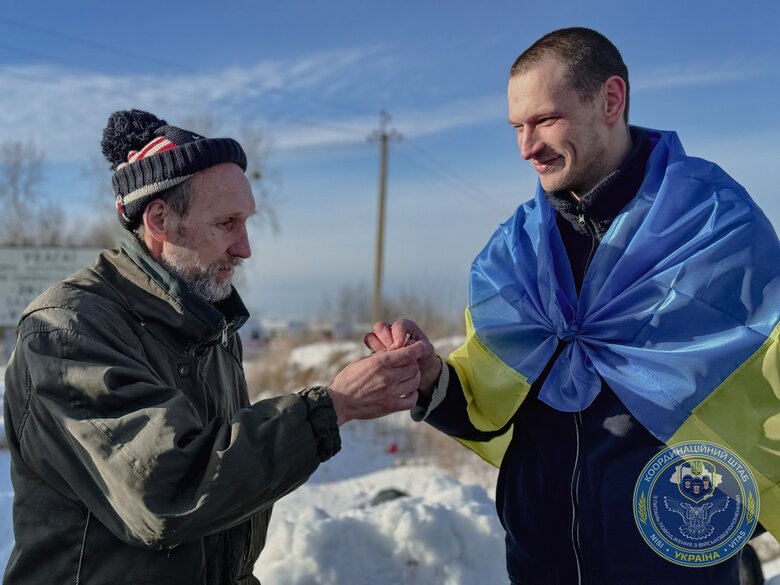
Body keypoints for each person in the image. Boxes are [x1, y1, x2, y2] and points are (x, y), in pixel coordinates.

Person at [365, 28, 780, 584]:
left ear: (611, 100)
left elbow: (764, 388)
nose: (526, 147)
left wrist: (728, 519)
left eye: (544, 121)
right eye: (517, 127)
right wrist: (431, 376)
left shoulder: (714, 224)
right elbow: (488, 395)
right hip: (543, 558)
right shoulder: (513, 253)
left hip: (678, 557)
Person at [2, 109, 431, 584]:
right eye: (227, 222)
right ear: (160, 219)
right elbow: (165, 492)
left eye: (246, 222)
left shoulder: (211, 326)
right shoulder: (69, 329)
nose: (245, 247)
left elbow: (223, 514)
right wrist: (334, 407)